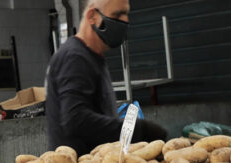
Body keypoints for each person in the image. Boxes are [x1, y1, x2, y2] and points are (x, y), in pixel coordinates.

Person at [45, 0, 166, 154]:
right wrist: (140, 130)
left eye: (126, 13)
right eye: (117, 14)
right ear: (92, 16)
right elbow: (76, 119)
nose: (125, 20)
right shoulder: (75, 57)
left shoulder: (92, 56)